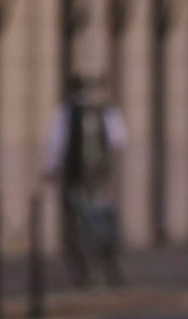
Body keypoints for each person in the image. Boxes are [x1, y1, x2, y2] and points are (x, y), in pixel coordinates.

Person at [42, 74, 128, 288]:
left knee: (78, 225)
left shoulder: (67, 111)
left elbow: (56, 143)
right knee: (103, 223)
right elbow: (119, 140)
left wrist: (51, 169)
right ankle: (109, 268)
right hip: (99, 178)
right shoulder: (105, 110)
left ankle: (86, 273)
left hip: (76, 177)